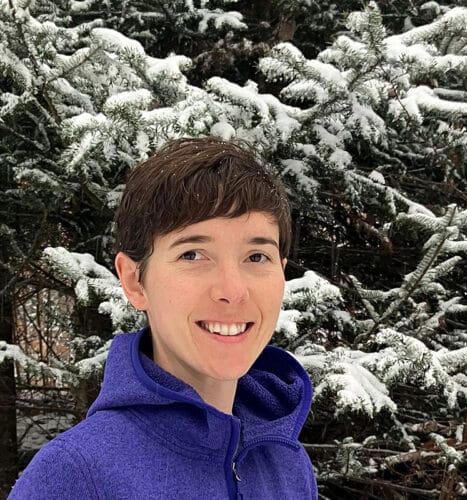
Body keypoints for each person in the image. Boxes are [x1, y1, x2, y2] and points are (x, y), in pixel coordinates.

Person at [9, 137, 318, 499]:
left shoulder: (286, 463)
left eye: (256, 257)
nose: (232, 290)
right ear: (133, 280)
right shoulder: (75, 474)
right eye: (192, 254)